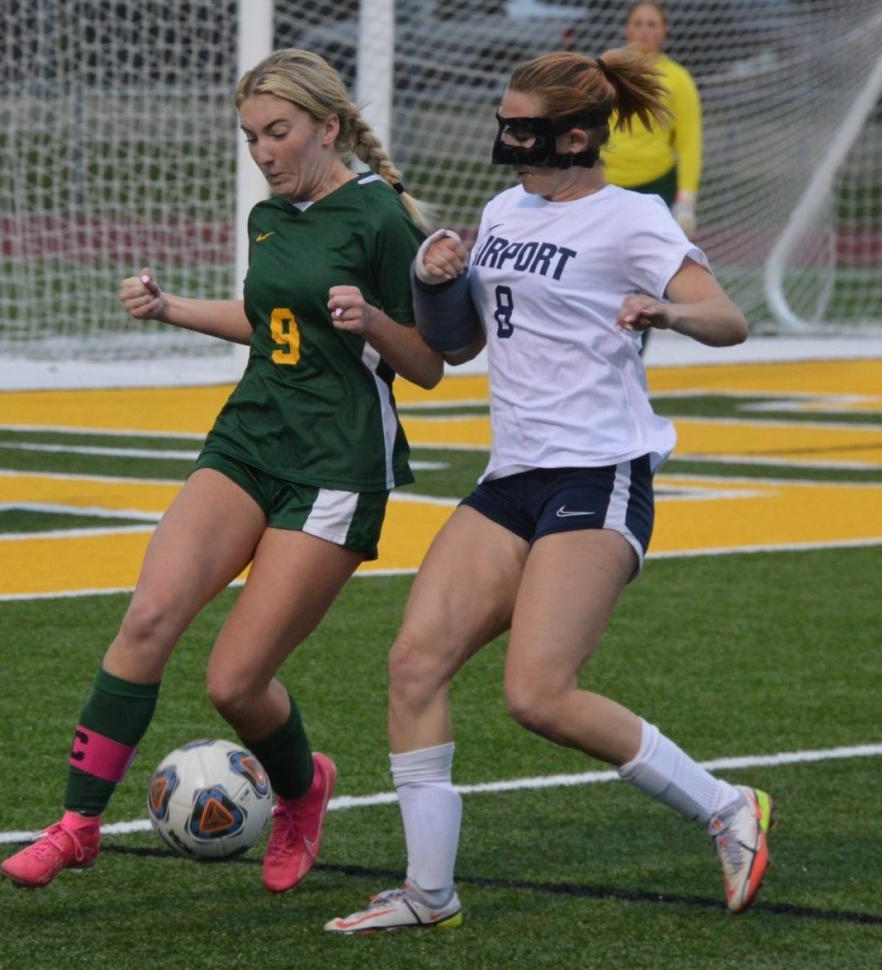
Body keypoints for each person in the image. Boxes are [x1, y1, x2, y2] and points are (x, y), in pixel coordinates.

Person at [325, 48, 770, 935]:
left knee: (538, 694)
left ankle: (727, 806)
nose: (506, 140)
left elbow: (730, 319)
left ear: (574, 136)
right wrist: (435, 279)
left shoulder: (631, 219)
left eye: (521, 127)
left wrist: (667, 312)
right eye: (505, 121)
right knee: (414, 664)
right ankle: (429, 893)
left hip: (598, 473)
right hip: (512, 477)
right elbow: (457, 349)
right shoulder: (502, 209)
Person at [0, 48, 444, 897]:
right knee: (148, 616)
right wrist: (169, 309)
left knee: (235, 682)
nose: (263, 152)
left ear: (329, 126)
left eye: (278, 132)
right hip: (247, 439)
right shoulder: (268, 217)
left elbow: (430, 364)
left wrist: (375, 321)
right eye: (250, 137)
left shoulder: (384, 219)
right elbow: (268, 320)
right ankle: (78, 825)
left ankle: (303, 788)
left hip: (336, 466)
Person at [601, 2, 702, 355]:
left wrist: (686, 200)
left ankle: (632, 353)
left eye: (652, 24)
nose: (644, 30)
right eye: (638, 23)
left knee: (645, 278)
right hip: (606, 186)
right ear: (627, 29)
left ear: (663, 31)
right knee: (602, 270)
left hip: (654, 187)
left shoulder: (678, 80)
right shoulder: (608, 72)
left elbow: (689, 143)